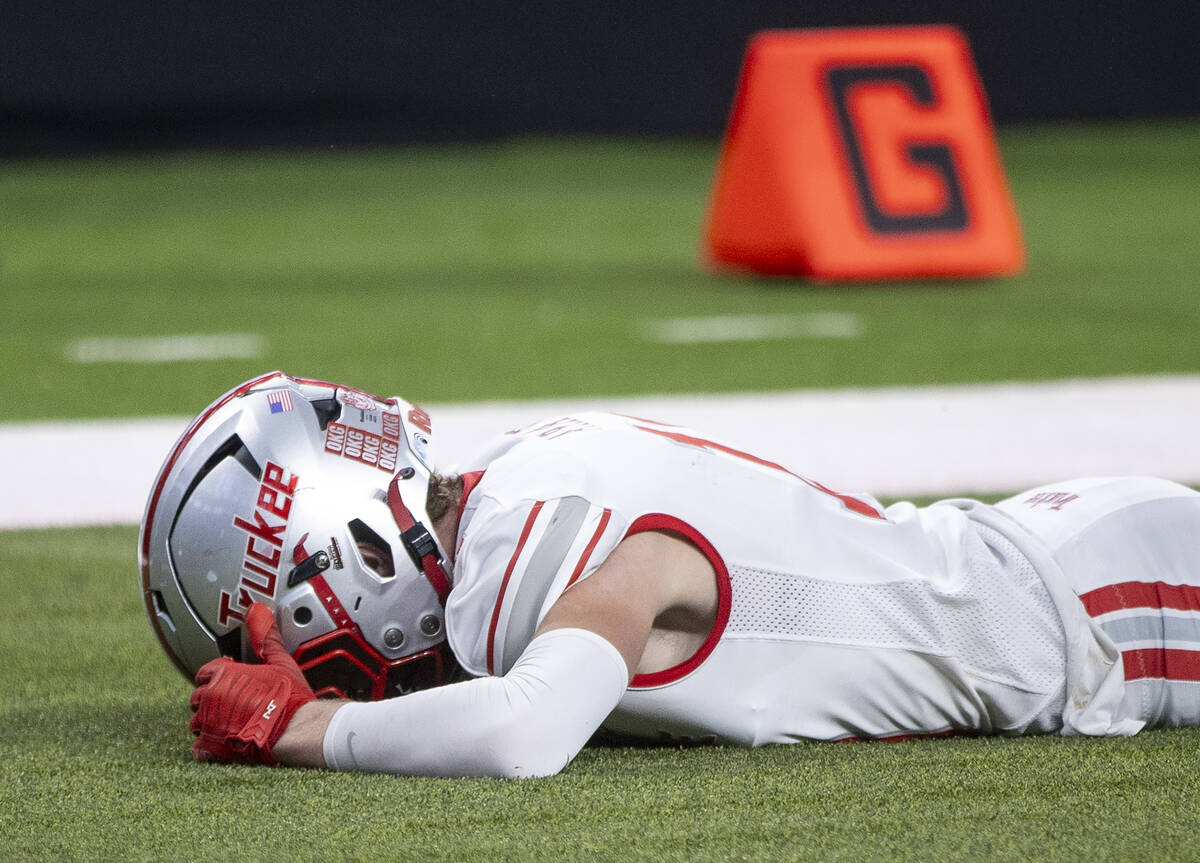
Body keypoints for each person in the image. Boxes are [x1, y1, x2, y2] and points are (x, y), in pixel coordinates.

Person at [141, 372, 1200, 777]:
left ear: (350, 559)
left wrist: (300, 729)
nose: (305, 670)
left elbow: (523, 731)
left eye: (291, 639)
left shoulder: (531, 540)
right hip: (1064, 561)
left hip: (1102, 605)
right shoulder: (516, 481)